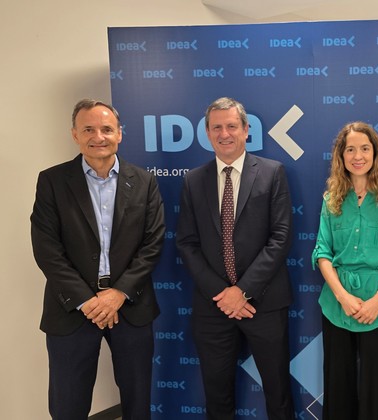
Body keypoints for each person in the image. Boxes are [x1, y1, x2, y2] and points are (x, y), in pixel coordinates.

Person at [30, 99, 165, 419]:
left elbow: (152, 243)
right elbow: (47, 248)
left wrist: (119, 293)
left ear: (120, 133)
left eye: (106, 129)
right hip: (72, 308)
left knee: (138, 403)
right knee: (68, 404)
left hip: (130, 306)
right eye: (88, 129)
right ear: (75, 134)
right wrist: (87, 300)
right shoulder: (52, 181)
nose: (98, 137)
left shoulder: (144, 181)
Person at [176, 97, 294, 420]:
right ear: (207, 133)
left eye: (231, 126)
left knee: (278, 392)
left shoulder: (272, 173)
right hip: (213, 306)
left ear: (246, 129)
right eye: (217, 127)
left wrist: (242, 291)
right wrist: (223, 293)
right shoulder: (193, 180)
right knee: (217, 396)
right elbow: (186, 243)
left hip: (264, 303)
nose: (224, 134)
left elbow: (281, 237)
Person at [312, 122, 378, 420]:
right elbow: (322, 253)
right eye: (350, 149)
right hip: (336, 307)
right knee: (338, 388)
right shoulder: (331, 200)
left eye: (365, 149)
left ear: (375, 153)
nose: (358, 156)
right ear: (341, 156)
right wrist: (342, 297)